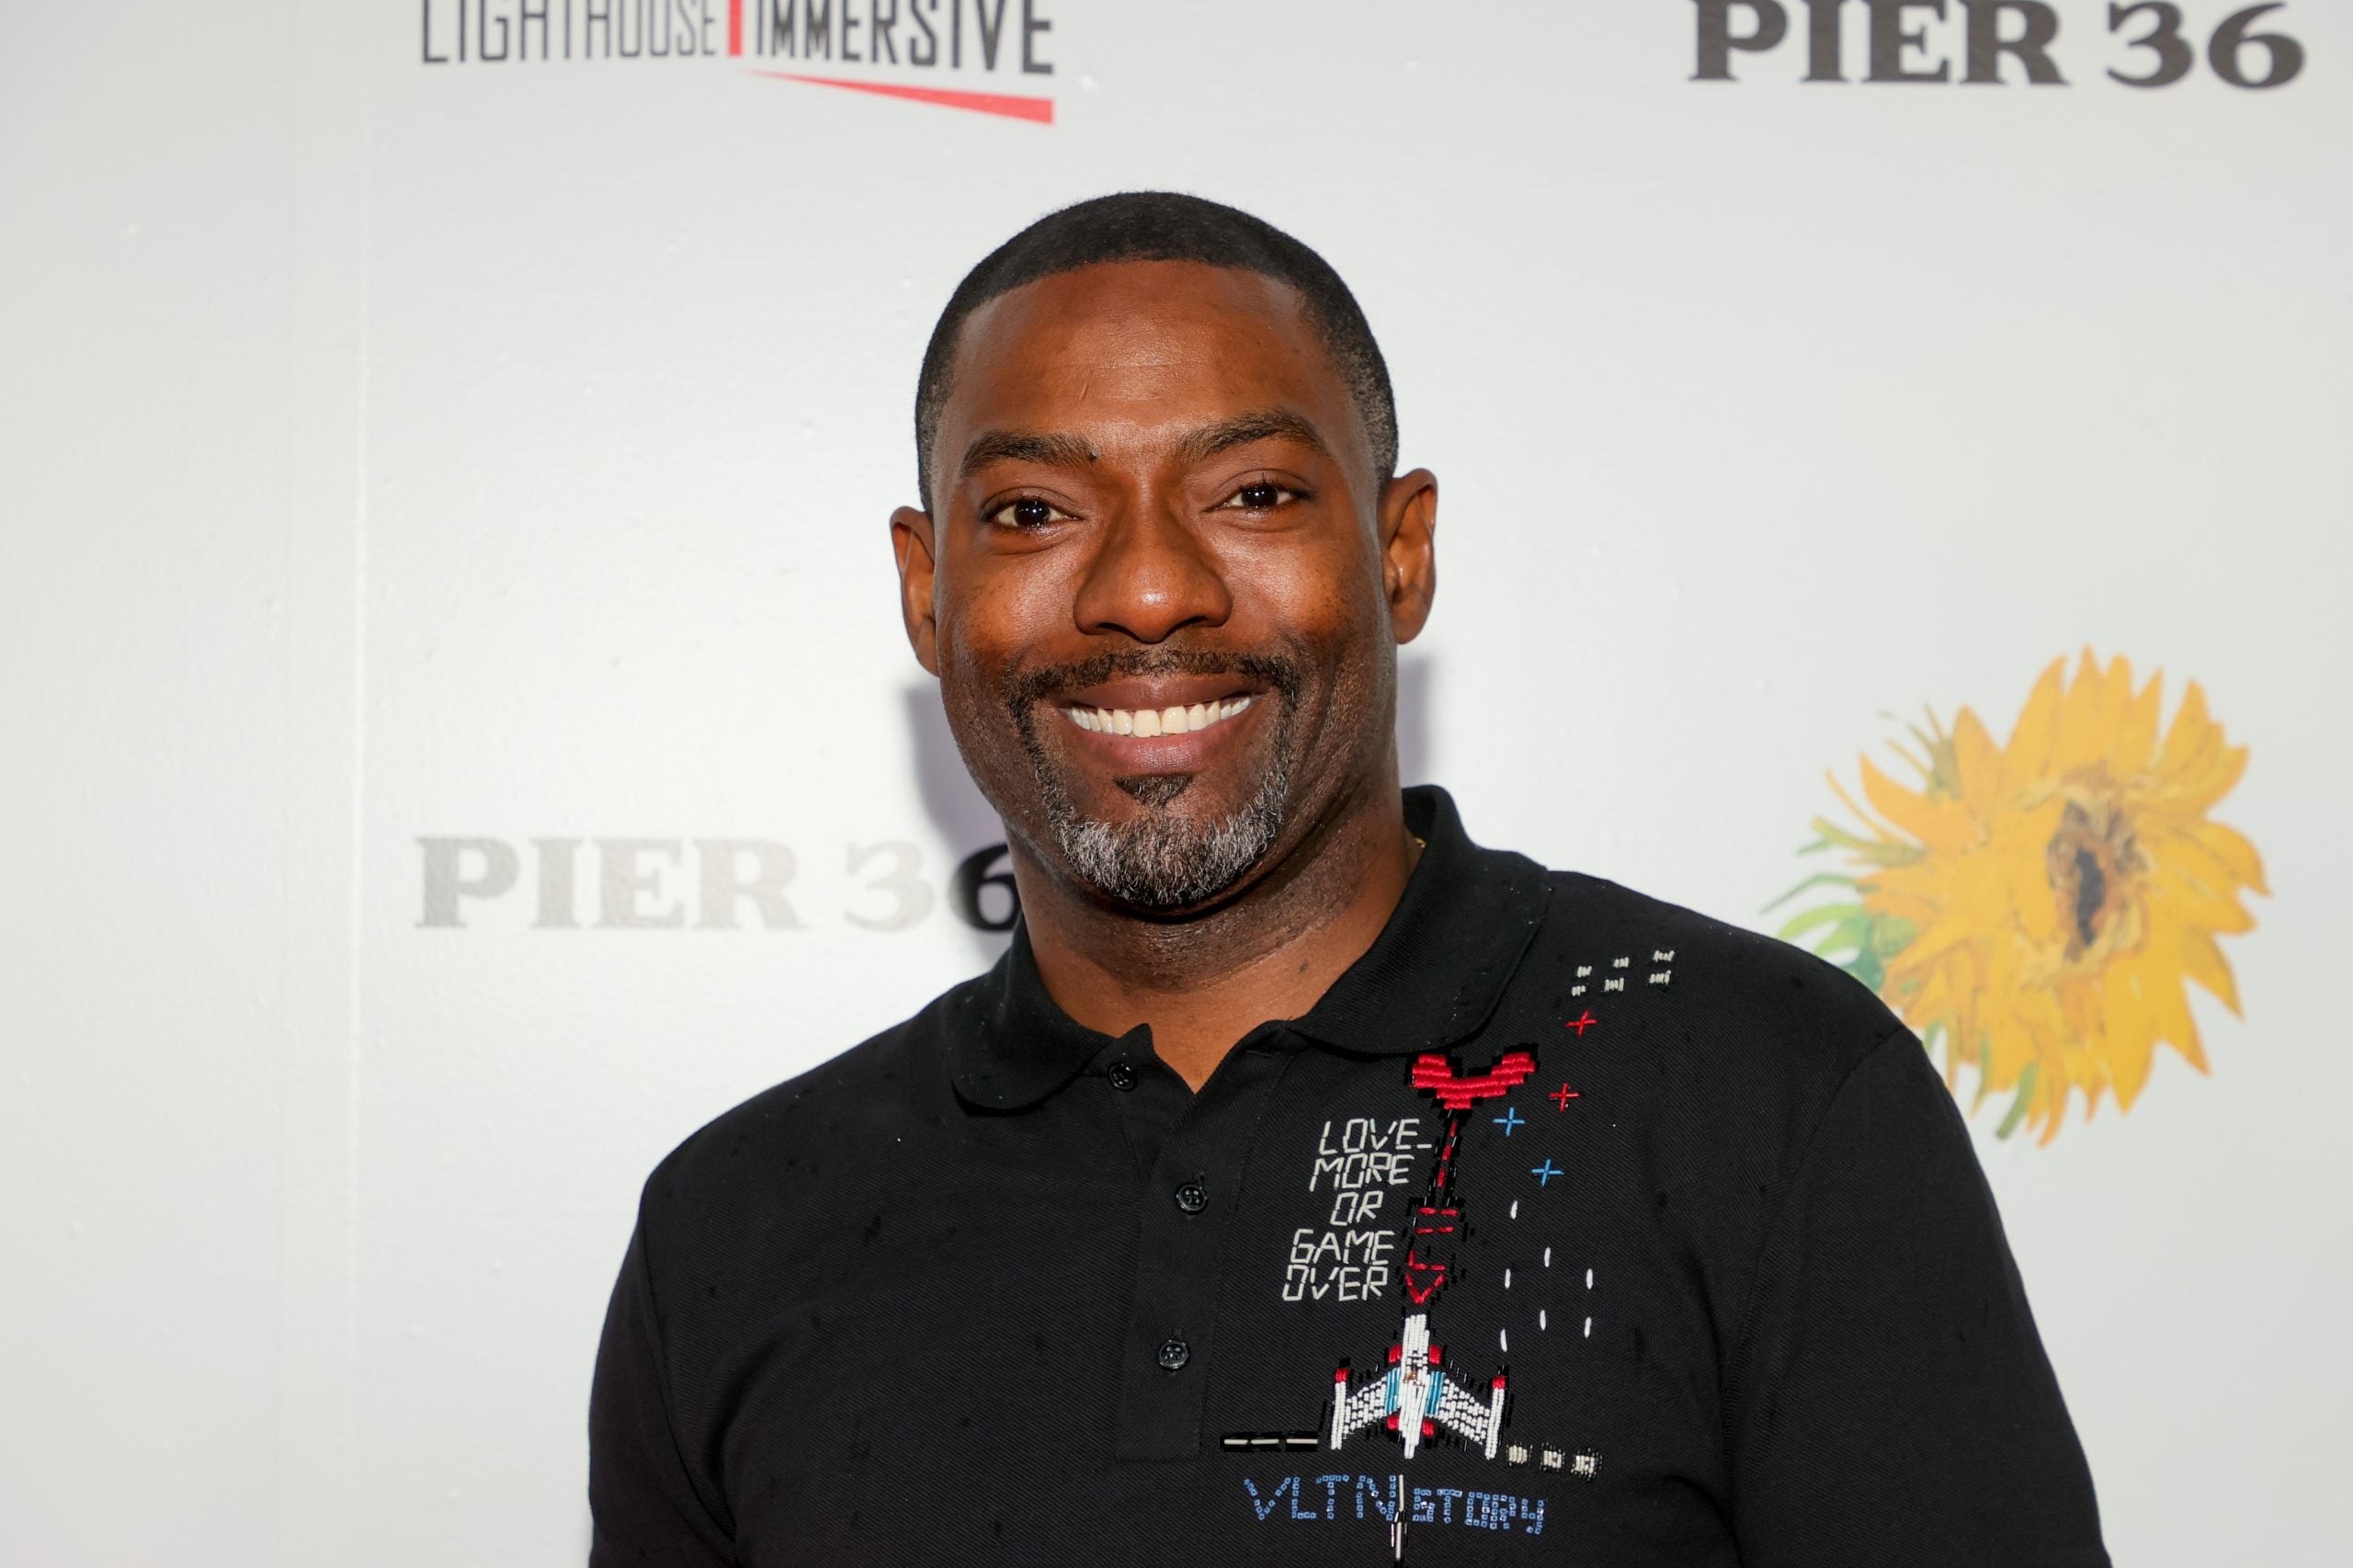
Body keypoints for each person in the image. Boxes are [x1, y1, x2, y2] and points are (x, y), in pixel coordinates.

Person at [587, 191, 2109, 1566]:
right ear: (929, 592)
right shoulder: (737, 1223)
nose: (1148, 589)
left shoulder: (1764, 1096)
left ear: (1401, 552)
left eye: (1251, 493)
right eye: (1035, 511)